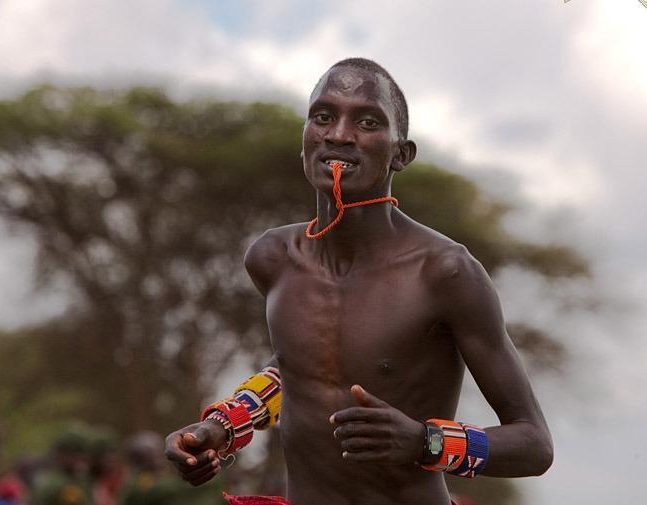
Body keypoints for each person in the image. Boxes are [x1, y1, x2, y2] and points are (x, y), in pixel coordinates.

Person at [165, 58, 553, 505]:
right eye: (323, 117)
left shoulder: (444, 273)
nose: (339, 134)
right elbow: (297, 372)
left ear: (400, 154)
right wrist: (223, 426)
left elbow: (534, 445)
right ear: (306, 139)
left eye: (367, 122)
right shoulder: (274, 259)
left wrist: (424, 442)